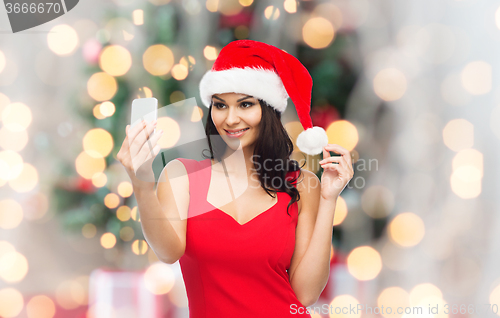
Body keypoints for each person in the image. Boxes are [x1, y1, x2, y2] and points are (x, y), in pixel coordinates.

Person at [117, 40, 354, 318]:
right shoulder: (183, 175)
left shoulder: (302, 184)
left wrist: (328, 199)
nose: (230, 119)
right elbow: (168, 252)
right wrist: (142, 181)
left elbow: (305, 294)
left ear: (268, 110)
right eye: (220, 105)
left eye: (245, 104)